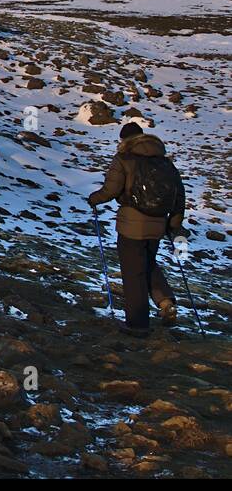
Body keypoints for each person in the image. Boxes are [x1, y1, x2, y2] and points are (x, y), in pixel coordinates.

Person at [88, 122, 187, 334]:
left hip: (132, 225)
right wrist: (173, 224)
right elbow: (179, 196)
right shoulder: (164, 162)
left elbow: (111, 190)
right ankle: (165, 301)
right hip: (158, 226)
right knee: (147, 263)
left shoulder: (124, 159)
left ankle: (138, 324)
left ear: (124, 141)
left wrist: (94, 199)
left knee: (133, 273)